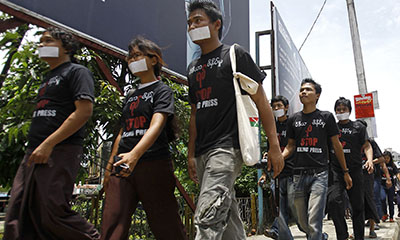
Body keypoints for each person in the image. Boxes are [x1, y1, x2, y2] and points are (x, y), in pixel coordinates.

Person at [186, 1, 284, 239]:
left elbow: (261, 101)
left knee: (208, 215)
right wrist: (191, 154)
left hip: (227, 147)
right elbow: (195, 113)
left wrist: (274, 146)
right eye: (189, 23)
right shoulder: (192, 68)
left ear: (216, 24)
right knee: (225, 213)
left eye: (197, 20)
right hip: (202, 151)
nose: (192, 26)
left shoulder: (234, 54)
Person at [4, 27, 100, 240]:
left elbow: (84, 111)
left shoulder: (77, 72)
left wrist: (49, 144)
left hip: (60, 149)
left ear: (66, 47)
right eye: (40, 42)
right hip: (33, 152)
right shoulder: (47, 78)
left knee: (52, 210)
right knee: (19, 210)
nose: (41, 46)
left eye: (48, 41)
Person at [100, 37, 187, 240]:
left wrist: (135, 154)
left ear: (153, 59)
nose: (131, 60)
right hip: (122, 166)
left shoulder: (162, 90)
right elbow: (123, 130)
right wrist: (110, 167)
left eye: (137, 55)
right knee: (112, 222)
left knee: (166, 225)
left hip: (154, 164)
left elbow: (157, 124)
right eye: (130, 56)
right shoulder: (130, 94)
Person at [282, 79, 352, 240]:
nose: (303, 92)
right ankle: (320, 236)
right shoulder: (293, 119)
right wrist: (279, 157)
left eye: (308, 90)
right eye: (301, 90)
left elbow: (336, 145)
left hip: (319, 174)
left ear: (317, 95)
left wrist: (345, 171)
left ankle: (316, 235)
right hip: (298, 175)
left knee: (314, 220)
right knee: (301, 222)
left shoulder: (326, 117)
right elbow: (290, 146)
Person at [327, 97, 374, 240]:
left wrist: (370, 160)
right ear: (335, 111)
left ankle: (359, 236)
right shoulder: (331, 128)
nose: (341, 112)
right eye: (338, 109)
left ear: (349, 111)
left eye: (344, 109)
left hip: (355, 170)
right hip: (336, 170)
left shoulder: (358, 127)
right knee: (333, 202)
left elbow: (366, 145)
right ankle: (342, 235)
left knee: (358, 206)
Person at [259, 95, 303, 240]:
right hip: (276, 174)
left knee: (295, 210)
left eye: (279, 106)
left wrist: (279, 156)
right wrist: (266, 173)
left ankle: (317, 234)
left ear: (286, 107)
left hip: (293, 172)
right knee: (279, 210)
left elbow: (294, 146)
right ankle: (283, 235)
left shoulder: (294, 123)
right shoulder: (272, 127)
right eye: (274, 107)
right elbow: (269, 151)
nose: (276, 109)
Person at [357, 119, 387, 238]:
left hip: (368, 175)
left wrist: (370, 162)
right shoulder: (352, 141)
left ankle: (372, 228)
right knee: (356, 202)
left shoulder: (371, 142)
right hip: (355, 174)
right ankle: (357, 230)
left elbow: (381, 159)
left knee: (370, 200)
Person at [381, 151, 398, 222]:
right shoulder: (380, 165)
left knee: (391, 201)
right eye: (385, 158)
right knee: (382, 198)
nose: (386, 160)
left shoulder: (393, 166)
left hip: (391, 185)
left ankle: (391, 216)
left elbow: (397, 174)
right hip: (382, 184)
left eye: (388, 158)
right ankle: (385, 214)